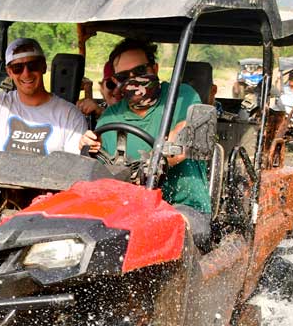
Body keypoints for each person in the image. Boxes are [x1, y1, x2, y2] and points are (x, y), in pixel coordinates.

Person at [79, 38, 211, 214]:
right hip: (128, 208)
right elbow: (101, 173)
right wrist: (89, 148)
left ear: (154, 69)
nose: (133, 80)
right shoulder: (110, 117)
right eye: (124, 77)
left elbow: (184, 134)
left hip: (183, 206)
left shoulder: (181, 96)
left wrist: (155, 161)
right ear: (116, 81)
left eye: (140, 70)